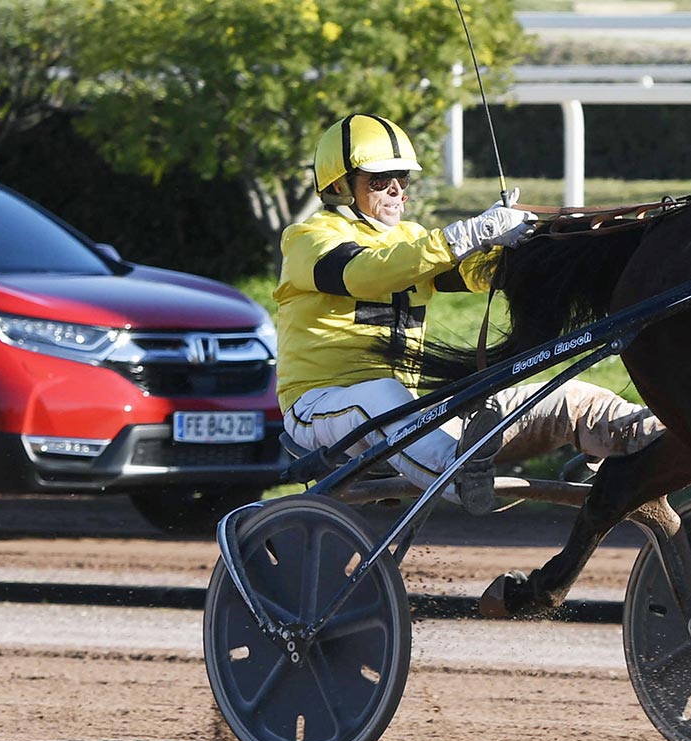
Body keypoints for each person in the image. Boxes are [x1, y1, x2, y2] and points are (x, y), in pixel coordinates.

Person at [275, 113, 663, 514]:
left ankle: (652, 435)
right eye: (380, 180)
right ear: (339, 187)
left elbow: (477, 272)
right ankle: (461, 475)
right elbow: (365, 273)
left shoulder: (412, 241)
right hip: (318, 410)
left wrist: (532, 243)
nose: (396, 191)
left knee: (570, 399)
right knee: (381, 397)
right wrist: (468, 233)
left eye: (402, 179)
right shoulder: (307, 239)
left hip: (409, 414)